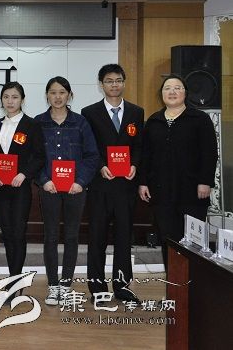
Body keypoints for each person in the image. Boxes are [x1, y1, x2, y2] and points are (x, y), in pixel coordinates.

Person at [139, 74, 218, 269]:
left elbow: (209, 153)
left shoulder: (199, 119)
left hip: (193, 192)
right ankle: (174, 283)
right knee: (168, 239)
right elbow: (145, 155)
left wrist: (205, 181)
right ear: (161, 94)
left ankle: (195, 285)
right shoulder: (154, 121)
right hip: (161, 192)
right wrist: (143, 182)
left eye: (177, 88)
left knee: (193, 241)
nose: (172, 92)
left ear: (185, 93)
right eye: (167, 88)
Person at [81, 64, 144, 304]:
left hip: (126, 186)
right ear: (101, 85)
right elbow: (88, 147)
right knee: (97, 238)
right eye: (109, 81)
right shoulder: (89, 112)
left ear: (124, 82)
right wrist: (100, 166)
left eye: (118, 80)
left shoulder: (136, 112)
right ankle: (97, 289)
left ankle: (122, 287)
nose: (114, 85)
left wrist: (135, 164)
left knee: (123, 238)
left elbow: (139, 145)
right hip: (100, 185)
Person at [35, 76, 99, 306]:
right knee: (51, 236)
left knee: (72, 236)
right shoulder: (38, 123)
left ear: (70, 95)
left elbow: (92, 156)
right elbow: (34, 157)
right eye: (53, 92)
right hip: (49, 188)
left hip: (75, 189)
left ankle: (66, 285)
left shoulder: (80, 123)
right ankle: (53, 286)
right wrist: (44, 181)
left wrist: (80, 181)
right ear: (47, 96)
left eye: (62, 92)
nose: (58, 97)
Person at [0, 82, 45, 293]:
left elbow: (39, 156)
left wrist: (24, 174)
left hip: (20, 187)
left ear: (22, 100)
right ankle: (13, 277)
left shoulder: (31, 125)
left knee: (18, 232)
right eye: (6, 97)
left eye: (15, 97)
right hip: (0, 187)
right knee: (7, 233)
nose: (10, 101)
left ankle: (16, 280)